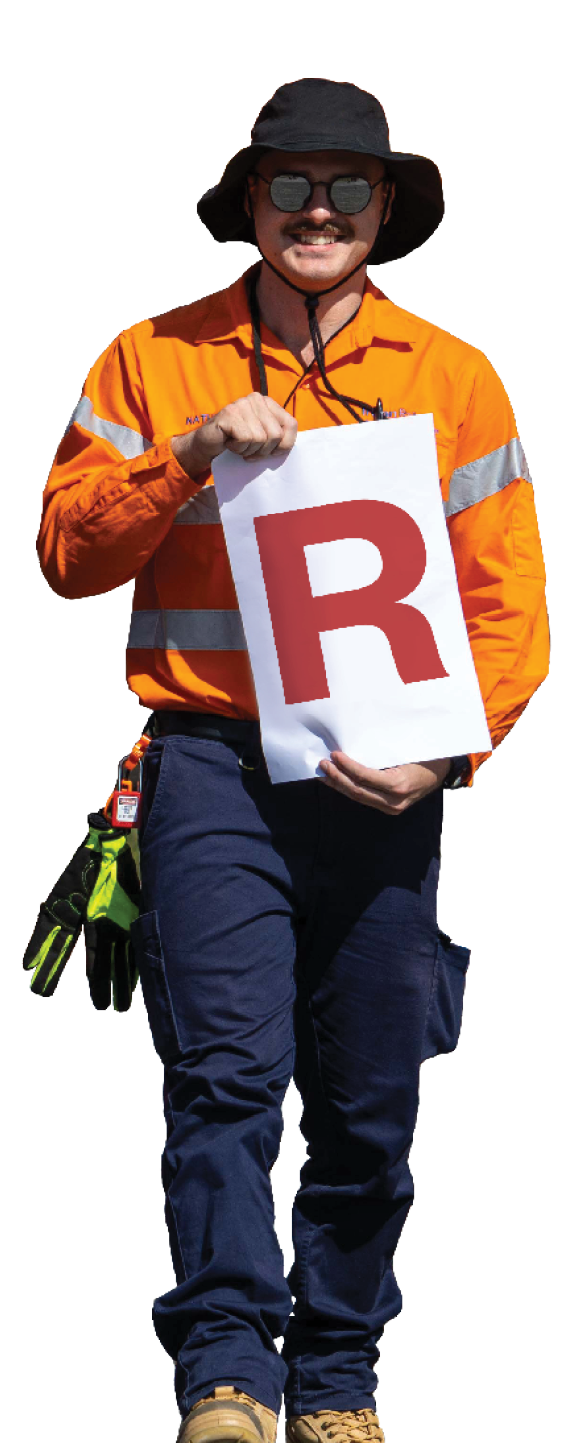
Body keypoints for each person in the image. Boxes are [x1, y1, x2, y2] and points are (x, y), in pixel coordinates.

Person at [37, 77, 549, 1443]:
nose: (317, 211)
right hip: (205, 767)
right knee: (223, 1075)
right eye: (289, 185)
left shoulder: (455, 378)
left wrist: (446, 759)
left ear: (385, 210)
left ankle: (338, 1378)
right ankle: (224, 1372)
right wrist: (189, 455)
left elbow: (511, 611)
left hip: (386, 784)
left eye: (347, 188)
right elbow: (66, 556)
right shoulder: (154, 358)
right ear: (249, 203)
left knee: (372, 1098)